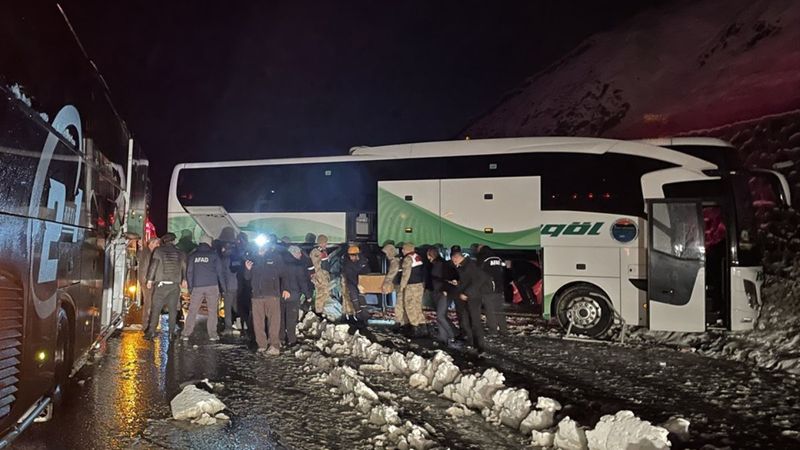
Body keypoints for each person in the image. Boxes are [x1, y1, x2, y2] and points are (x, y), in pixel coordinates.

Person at [182, 234, 227, 342]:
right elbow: (219, 272)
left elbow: (189, 272)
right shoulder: (214, 255)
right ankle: (212, 334)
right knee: (212, 311)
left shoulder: (193, 255)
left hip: (197, 286)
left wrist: (191, 287)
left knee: (192, 310)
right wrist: (223, 288)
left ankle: (186, 334)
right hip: (212, 286)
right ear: (209, 243)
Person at [244, 240, 285, 355]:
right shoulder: (253, 259)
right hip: (257, 295)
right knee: (258, 322)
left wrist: (285, 289)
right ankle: (261, 345)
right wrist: (247, 269)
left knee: (274, 321)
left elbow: (283, 274)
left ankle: (274, 345)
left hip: (272, 295)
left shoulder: (275, 258)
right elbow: (247, 278)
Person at [145, 232, 186, 340]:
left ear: (164, 241)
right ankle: (171, 333)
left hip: (161, 285)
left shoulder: (158, 251)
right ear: (174, 241)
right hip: (174, 285)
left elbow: (153, 266)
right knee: (173, 310)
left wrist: (149, 280)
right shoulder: (180, 252)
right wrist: (184, 279)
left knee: (156, 309)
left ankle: (151, 332)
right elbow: (184, 267)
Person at [451, 247, 491, 354]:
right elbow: (467, 281)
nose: (453, 262)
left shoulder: (470, 266)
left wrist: (467, 293)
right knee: (466, 321)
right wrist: (458, 283)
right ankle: (472, 343)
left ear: (457, 258)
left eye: (454, 260)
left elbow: (479, 280)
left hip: (473, 298)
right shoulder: (464, 266)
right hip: (465, 298)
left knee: (475, 322)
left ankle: (480, 346)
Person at [281, 245, 313, 347]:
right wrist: (308, 296)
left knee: (281, 317)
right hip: (293, 296)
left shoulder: (281, 264)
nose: (300, 255)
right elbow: (302, 282)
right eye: (299, 253)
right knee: (291, 318)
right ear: (293, 254)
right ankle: (291, 339)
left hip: (281, 296)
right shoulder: (297, 266)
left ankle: (281, 338)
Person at [427, 247, 457, 346]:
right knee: (441, 315)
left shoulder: (439, 265)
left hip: (441, 292)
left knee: (440, 315)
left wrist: (444, 289)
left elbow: (442, 279)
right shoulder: (439, 264)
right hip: (439, 292)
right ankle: (443, 337)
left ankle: (453, 334)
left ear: (430, 255)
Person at [477, 245, 508, 335]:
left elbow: (479, 273)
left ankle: (493, 330)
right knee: (499, 310)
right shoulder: (497, 258)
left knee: (490, 310)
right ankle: (504, 329)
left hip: (488, 288)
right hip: (499, 288)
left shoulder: (483, 258)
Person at [399, 243, 426, 337]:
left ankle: (415, 328)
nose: (402, 251)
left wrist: (402, 286)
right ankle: (423, 327)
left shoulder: (407, 259)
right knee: (417, 306)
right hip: (419, 285)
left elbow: (406, 274)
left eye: (403, 249)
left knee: (410, 306)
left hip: (411, 286)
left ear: (407, 249)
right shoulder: (417, 257)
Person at [342, 244, 370, 332]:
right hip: (352, 283)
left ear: (357, 254)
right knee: (354, 300)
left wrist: (363, 283)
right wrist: (357, 284)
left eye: (353, 255)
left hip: (362, 283)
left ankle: (365, 318)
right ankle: (359, 318)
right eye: (350, 256)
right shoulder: (347, 264)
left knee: (362, 300)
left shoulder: (363, 261)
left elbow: (367, 271)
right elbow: (349, 276)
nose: (352, 257)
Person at [137, 237, 160, 334]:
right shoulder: (146, 251)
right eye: (157, 243)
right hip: (147, 281)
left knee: (150, 303)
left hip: (148, 281)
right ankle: (146, 326)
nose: (158, 246)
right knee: (149, 303)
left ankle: (148, 325)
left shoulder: (149, 252)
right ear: (151, 243)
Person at [445, 246, 468, 340]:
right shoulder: (449, 264)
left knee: (462, 313)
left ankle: (464, 332)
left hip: (460, 291)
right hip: (454, 290)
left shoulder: (466, 265)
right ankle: (462, 332)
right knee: (460, 313)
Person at [381, 243, 403, 327]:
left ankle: (399, 323)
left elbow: (391, 274)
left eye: (387, 253)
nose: (386, 256)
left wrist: (386, 283)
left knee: (399, 305)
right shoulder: (398, 259)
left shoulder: (394, 261)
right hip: (399, 284)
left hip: (398, 285)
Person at [220, 241, 240, 335]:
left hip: (229, 287)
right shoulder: (237, 258)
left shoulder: (224, 259)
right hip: (238, 286)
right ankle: (241, 324)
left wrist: (223, 288)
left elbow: (222, 275)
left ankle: (228, 328)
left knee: (227, 308)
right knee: (237, 306)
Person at [309, 234, 331, 315]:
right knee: (320, 295)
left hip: (324, 276)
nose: (326, 244)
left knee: (325, 294)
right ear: (321, 243)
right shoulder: (316, 252)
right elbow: (315, 265)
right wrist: (317, 277)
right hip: (319, 277)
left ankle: (324, 312)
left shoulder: (322, 251)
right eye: (325, 242)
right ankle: (319, 312)